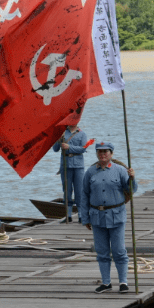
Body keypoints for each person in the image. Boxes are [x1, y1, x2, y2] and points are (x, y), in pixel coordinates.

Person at [81, 142, 137, 293]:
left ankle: (123, 282)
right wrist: (84, 218)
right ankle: (106, 283)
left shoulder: (120, 170)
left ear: (111, 154)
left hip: (116, 216)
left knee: (119, 250)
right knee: (102, 251)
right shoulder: (90, 172)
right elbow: (84, 195)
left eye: (105, 152)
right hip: (97, 217)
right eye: (99, 152)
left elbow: (131, 190)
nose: (102, 154)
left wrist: (132, 178)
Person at [53, 120, 89, 222]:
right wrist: (58, 140)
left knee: (79, 191)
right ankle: (68, 216)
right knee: (67, 191)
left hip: (78, 165)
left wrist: (69, 147)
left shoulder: (82, 134)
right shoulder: (62, 133)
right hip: (65, 165)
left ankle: (81, 216)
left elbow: (83, 149)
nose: (72, 122)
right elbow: (55, 149)